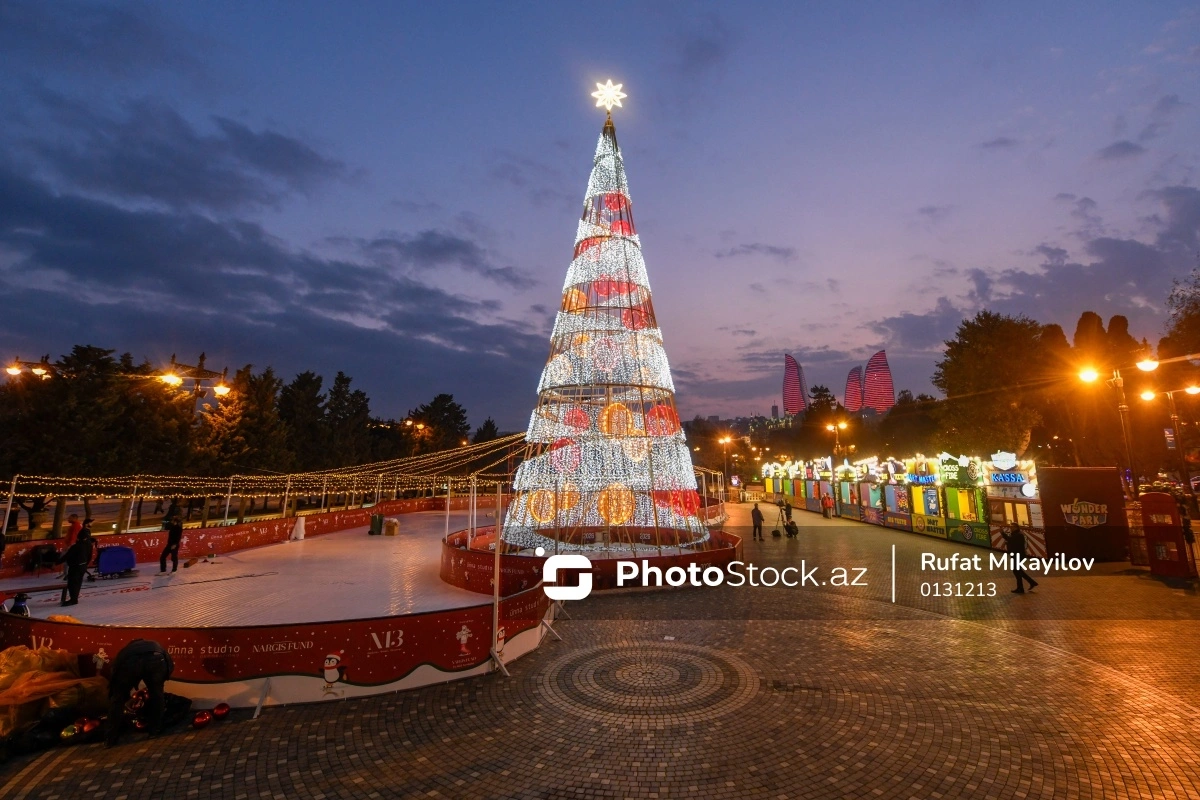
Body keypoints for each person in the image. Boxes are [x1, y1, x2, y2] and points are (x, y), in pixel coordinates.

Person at [106, 639, 174, 747]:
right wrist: (161, 681)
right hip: (157, 659)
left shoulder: (125, 652)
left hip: (130, 663)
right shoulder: (155, 645)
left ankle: (111, 739)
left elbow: (115, 674)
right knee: (157, 695)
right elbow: (168, 664)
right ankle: (154, 731)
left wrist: (114, 694)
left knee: (117, 699)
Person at [57, 524, 96, 606]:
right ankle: (74, 598)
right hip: (82, 566)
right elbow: (89, 556)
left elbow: (67, 556)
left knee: (72, 583)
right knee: (78, 583)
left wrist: (56, 563)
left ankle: (73, 599)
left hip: (75, 567)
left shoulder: (76, 546)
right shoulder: (89, 545)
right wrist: (85, 565)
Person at [1000, 522, 1038, 594]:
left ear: (1016, 528)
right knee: (1018, 570)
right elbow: (1012, 542)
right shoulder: (1016, 534)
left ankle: (1021, 587)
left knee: (1016, 570)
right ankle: (1030, 583)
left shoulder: (1018, 535)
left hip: (1018, 555)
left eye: (1012, 527)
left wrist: (1003, 533)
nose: (1010, 528)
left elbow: (1010, 540)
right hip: (1017, 555)